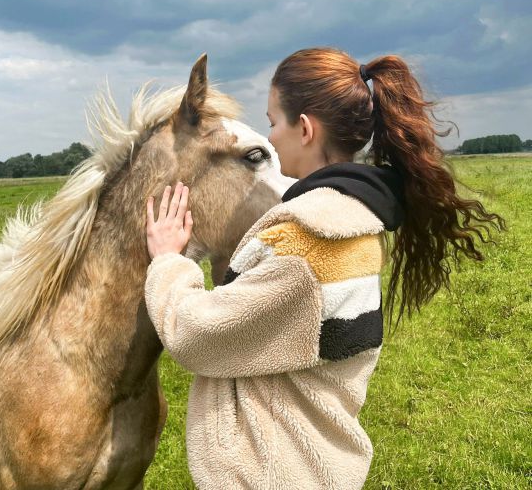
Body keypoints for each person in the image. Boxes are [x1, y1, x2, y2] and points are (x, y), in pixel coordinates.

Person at [144, 47, 505, 490]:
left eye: (273, 122)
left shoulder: (308, 237)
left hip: (273, 473)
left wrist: (167, 260)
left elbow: (195, 335)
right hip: (319, 462)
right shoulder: (357, 218)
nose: (271, 137)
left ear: (306, 128)